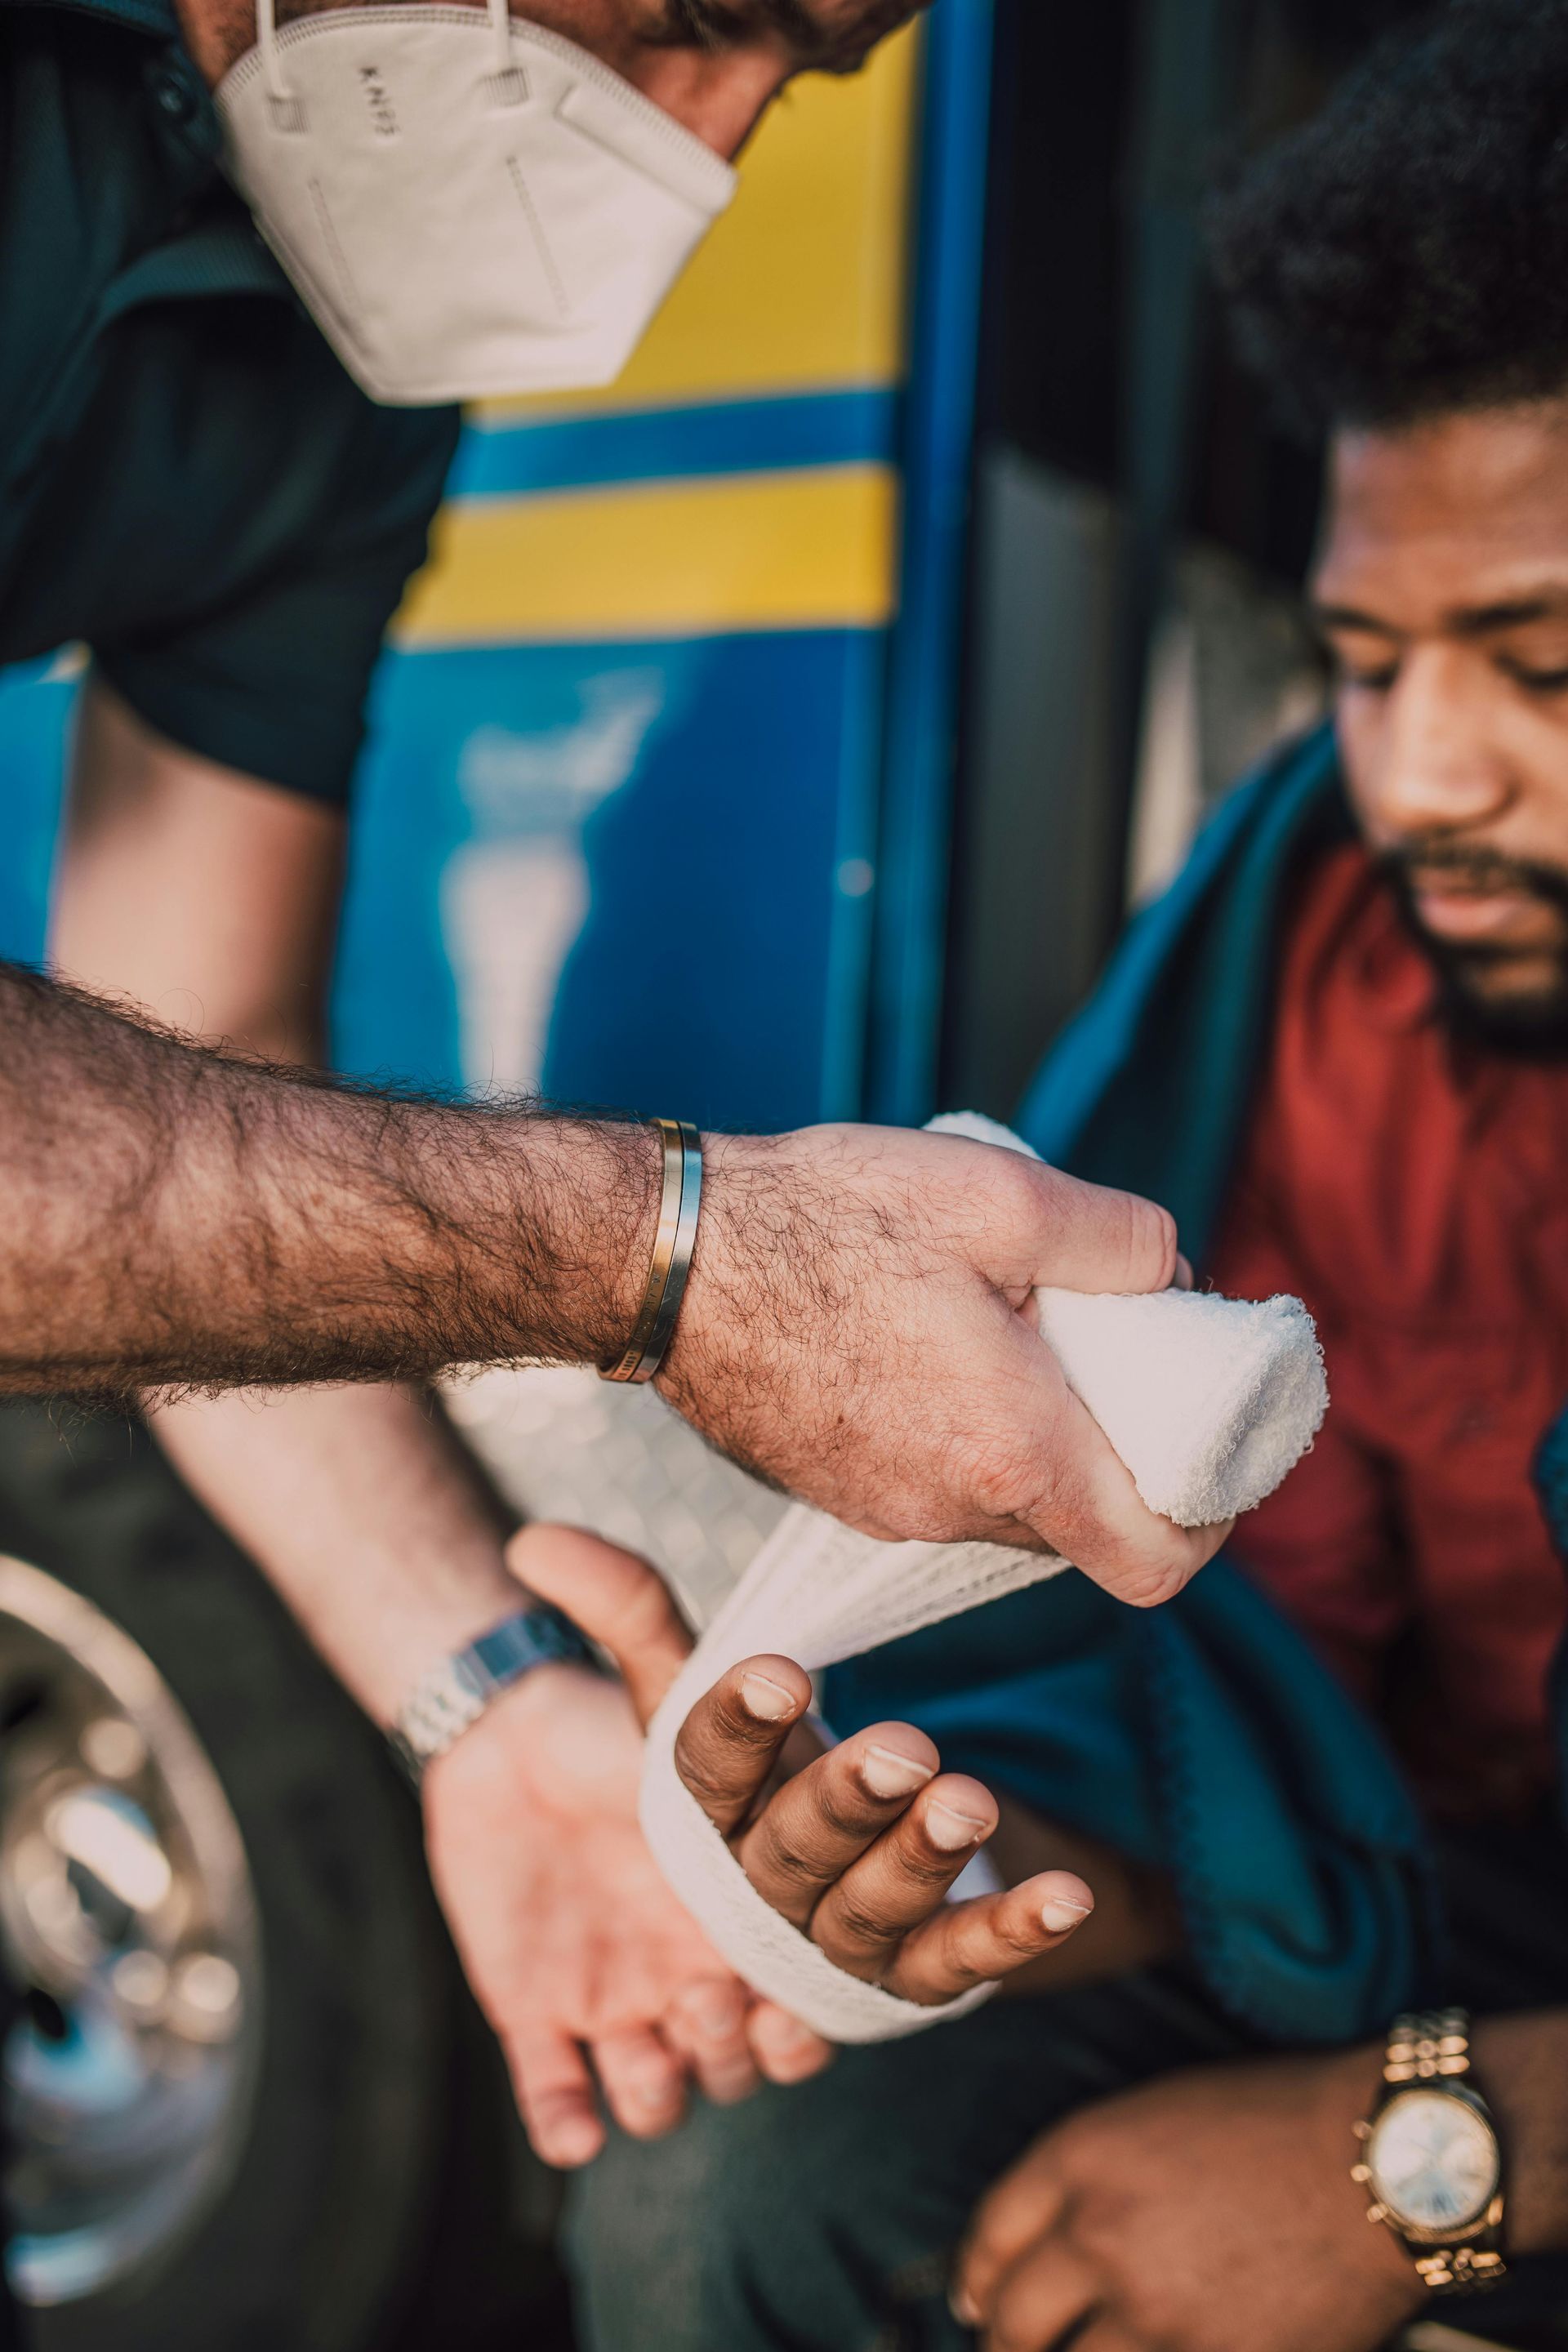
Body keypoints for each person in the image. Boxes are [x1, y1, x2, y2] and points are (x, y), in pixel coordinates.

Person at [3, 0, 1232, 2177]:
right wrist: (679, 1249)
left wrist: (477, 1696)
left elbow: (205, 1052)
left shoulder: (332, 335)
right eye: (693, 19)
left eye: (810, 77)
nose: (716, 148)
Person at [565, 5, 1568, 2344]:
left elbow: (1410, 2148)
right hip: (1432, 1880)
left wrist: (1415, 2159)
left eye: (1540, 661)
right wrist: (1031, 1857)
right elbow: (1246, 1646)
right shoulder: (1310, 942)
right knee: (739, 2192)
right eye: (1367, 660)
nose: (1426, 777)